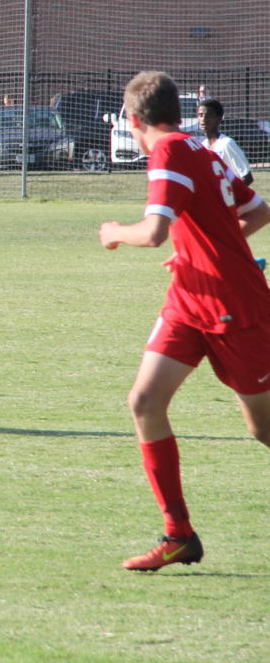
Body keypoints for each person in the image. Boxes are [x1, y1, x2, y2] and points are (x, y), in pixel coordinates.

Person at [99, 70, 270, 571]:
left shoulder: (171, 152)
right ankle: (179, 535)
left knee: (263, 429)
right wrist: (201, 252)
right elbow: (258, 212)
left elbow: (153, 233)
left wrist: (113, 232)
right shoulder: (203, 151)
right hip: (189, 299)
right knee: (145, 400)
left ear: (134, 121)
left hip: (235, 305)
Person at [197, 98, 254, 187]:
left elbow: (247, 177)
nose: (203, 119)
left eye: (209, 116)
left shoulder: (227, 144)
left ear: (219, 119)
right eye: (200, 115)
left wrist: (229, 197)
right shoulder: (203, 145)